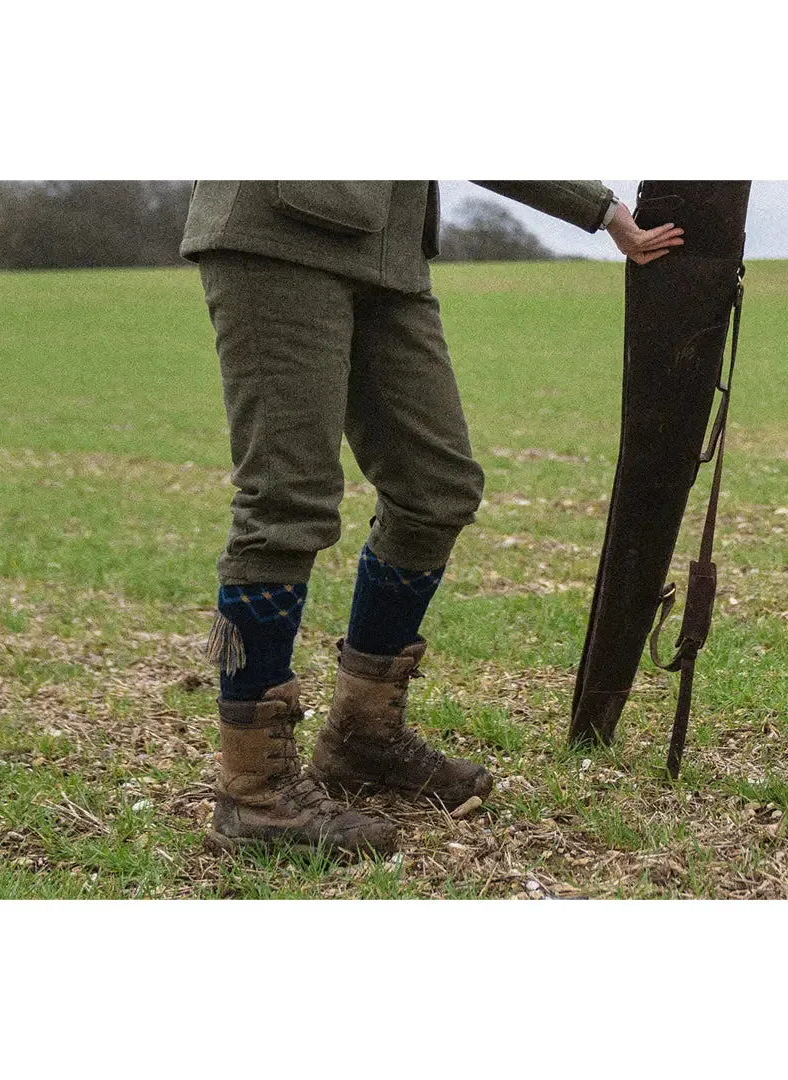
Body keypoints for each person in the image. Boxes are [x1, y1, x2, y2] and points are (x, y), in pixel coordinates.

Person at [181, 181, 684, 857]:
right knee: (285, 504)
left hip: (388, 254)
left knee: (436, 490)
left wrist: (599, 211)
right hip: (280, 232)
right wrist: (597, 212)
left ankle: (361, 738)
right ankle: (253, 791)